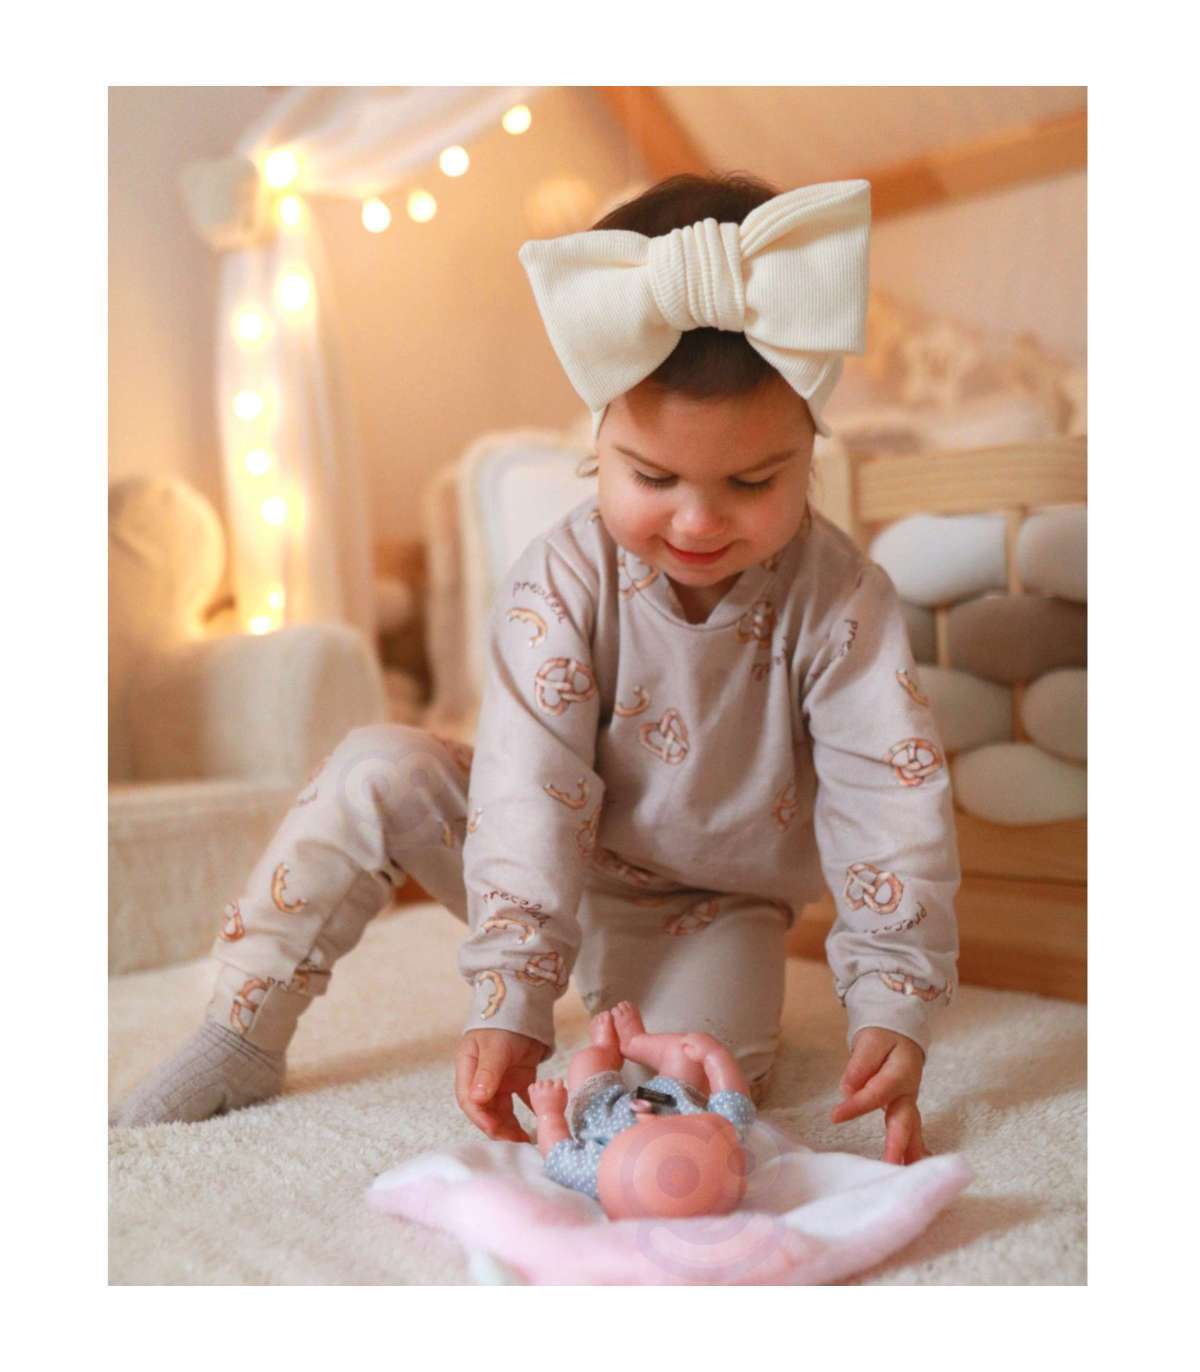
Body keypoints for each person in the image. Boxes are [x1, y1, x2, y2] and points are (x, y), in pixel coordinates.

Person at [111, 172, 959, 1167]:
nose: (697, 519)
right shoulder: (559, 578)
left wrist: (893, 1001)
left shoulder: (842, 598)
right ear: (598, 440)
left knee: (692, 1092)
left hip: (712, 909)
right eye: (652, 476)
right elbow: (525, 784)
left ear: (810, 448)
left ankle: (616, 1074)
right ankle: (241, 1030)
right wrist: (510, 991)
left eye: (752, 481)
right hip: (545, 855)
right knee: (376, 766)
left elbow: (886, 799)